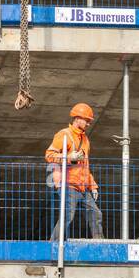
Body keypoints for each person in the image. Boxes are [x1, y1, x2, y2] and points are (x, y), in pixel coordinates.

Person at [46, 102, 102, 240]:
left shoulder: (85, 140)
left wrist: (92, 185)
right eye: (87, 120)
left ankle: (100, 244)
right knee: (67, 216)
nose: (88, 123)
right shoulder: (64, 135)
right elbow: (49, 155)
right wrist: (69, 157)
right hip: (68, 185)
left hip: (82, 187)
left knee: (95, 214)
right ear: (78, 118)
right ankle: (53, 245)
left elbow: (85, 166)